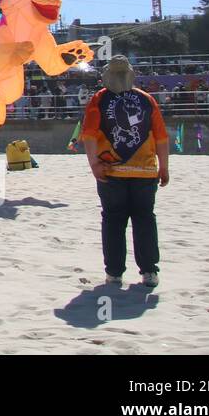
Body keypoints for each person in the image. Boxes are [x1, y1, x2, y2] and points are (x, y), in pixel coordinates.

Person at [80, 56, 169, 289]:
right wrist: (164, 167)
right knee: (144, 220)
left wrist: (93, 164)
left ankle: (114, 273)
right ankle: (149, 272)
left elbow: (88, 135)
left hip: (111, 171)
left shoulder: (99, 99)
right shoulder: (146, 99)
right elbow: (161, 137)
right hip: (146, 171)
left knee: (113, 221)